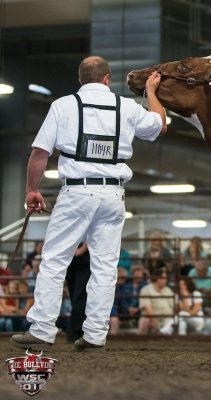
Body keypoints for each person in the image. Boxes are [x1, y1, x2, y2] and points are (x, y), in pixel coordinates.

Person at [11, 55, 167, 352]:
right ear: (107, 79)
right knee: (105, 266)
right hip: (113, 194)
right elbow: (160, 126)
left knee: (54, 260)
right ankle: (95, 334)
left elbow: (40, 152)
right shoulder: (126, 106)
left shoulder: (63, 106)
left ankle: (42, 329)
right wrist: (151, 92)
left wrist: (32, 190)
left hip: (76, 192)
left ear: (80, 79)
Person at [64, 242, 90, 342]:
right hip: (74, 252)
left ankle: (77, 330)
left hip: (76, 252)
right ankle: (77, 330)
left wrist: (82, 248)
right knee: (77, 294)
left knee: (78, 294)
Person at [138, 269, 175, 335]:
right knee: (145, 320)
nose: (166, 280)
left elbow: (174, 305)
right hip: (154, 318)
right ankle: (162, 332)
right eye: (164, 278)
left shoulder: (168, 290)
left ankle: (163, 332)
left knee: (176, 320)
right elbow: (147, 308)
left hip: (168, 318)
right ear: (158, 279)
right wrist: (152, 319)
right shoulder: (146, 290)